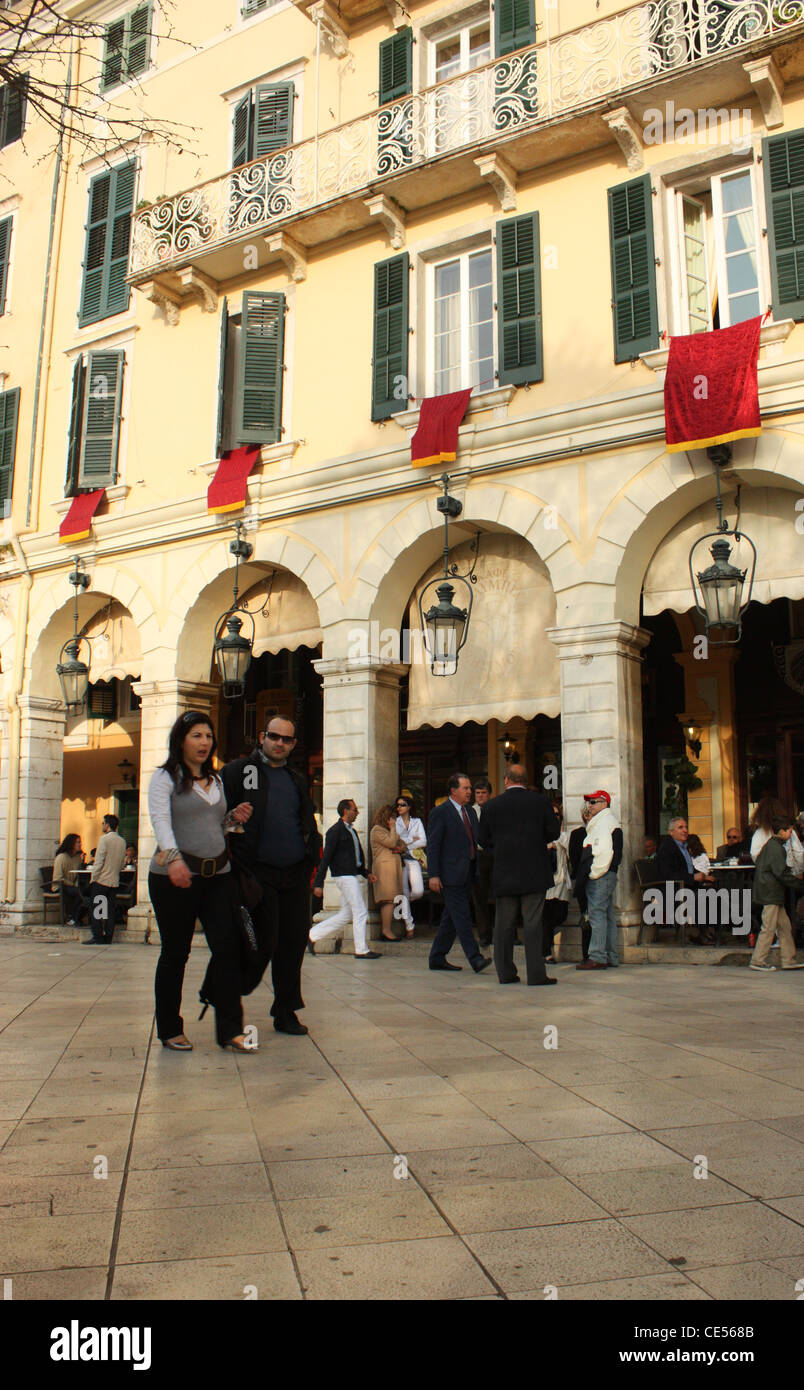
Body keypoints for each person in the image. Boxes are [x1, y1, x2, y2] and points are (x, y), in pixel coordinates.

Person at [148, 712, 254, 1052]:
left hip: (218, 876)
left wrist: (231, 819)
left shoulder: (217, 780)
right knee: (176, 952)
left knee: (228, 949)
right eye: (196, 735)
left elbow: (212, 826)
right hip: (174, 877)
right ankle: (169, 1028)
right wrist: (174, 858)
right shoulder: (165, 778)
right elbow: (161, 823)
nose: (204, 742)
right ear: (181, 740)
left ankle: (230, 1030)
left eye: (208, 736)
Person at [222, 714, 322, 1037]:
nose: (280, 743)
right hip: (256, 872)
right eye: (274, 736)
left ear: (293, 744)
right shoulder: (239, 772)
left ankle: (286, 1009)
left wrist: (311, 855)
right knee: (261, 942)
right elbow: (216, 816)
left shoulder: (296, 778)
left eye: (287, 739)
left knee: (293, 943)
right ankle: (226, 992)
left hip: (294, 873)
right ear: (262, 737)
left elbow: (304, 819)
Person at [478, 764, 559, 985]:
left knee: (504, 924)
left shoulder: (492, 806)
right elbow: (553, 832)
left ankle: (505, 972)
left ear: (506, 780)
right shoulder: (540, 802)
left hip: (504, 871)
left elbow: (482, 839)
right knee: (533, 924)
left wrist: (500, 851)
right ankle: (536, 974)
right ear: (525, 780)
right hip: (534, 870)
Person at [427, 773, 491, 974]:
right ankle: (475, 958)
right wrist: (434, 875)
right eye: (466, 788)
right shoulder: (441, 812)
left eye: (470, 788)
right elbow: (434, 846)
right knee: (462, 917)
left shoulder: (470, 812)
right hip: (450, 875)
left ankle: (437, 957)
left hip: (469, 872)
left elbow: (479, 839)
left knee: (451, 917)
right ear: (453, 791)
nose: (470, 792)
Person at [311, 800, 380, 958]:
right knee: (360, 911)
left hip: (350, 875)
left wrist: (365, 873)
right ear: (346, 811)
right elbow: (326, 858)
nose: (357, 812)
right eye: (355, 810)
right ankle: (361, 950)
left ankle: (312, 935)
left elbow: (355, 857)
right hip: (344, 876)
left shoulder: (352, 832)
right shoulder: (335, 831)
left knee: (346, 915)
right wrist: (318, 883)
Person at [575, 790, 624, 971]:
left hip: (601, 875)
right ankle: (610, 955)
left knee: (596, 914)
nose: (590, 805)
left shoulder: (604, 823)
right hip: (606, 874)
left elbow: (603, 851)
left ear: (604, 804)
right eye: (589, 802)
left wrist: (594, 873)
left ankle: (597, 956)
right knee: (607, 915)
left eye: (594, 802)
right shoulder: (606, 822)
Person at [750, 816, 804, 972]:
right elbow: (781, 873)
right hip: (771, 894)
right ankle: (758, 960)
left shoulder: (773, 846)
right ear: (782, 831)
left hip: (773, 893)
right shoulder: (775, 847)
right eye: (789, 831)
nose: (791, 834)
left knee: (785, 927)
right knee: (768, 927)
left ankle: (788, 960)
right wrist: (800, 884)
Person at [85, 814, 127, 944]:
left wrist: (93, 878)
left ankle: (98, 936)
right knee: (109, 910)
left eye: (103, 823)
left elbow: (99, 861)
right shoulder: (122, 841)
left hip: (102, 880)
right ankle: (108, 936)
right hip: (114, 880)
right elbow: (122, 863)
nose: (102, 826)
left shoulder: (104, 840)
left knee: (97, 909)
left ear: (107, 825)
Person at [369, 804, 408, 941]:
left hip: (392, 869)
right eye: (392, 818)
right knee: (388, 899)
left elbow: (402, 844)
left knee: (392, 899)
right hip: (384, 870)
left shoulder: (388, 831)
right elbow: (392, 843)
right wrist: (392, 829)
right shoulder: (377, 830)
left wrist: (400, 847)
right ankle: (386, 931)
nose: (394, 821)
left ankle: (387, 929)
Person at [395, 794, 426, 939]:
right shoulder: (395, 822)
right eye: (398, 805)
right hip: (399, 859)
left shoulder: (417, 821)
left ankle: (404, 903)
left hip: (414, 858)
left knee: (418, 891)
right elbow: (396, 841)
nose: (399, 807)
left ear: (409, 807)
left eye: (402, 804)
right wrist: (411, 840)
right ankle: (409, 925)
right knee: (403, 891)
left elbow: (423, 841)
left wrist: (405, 843)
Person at [543, 803, 571, 963]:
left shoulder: (564, 835)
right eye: (551, 815)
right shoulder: (541, 833)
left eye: (557, 815)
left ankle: (544, 942)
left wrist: (558, 840)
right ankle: (546, 952)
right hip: (546, 882)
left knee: (561, 914)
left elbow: (569, 849)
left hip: (561, 883)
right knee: (545, 919)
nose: (554, 818)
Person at [472, 779, 494, 947]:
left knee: (501, 895)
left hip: (494, 855)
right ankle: (484, 935)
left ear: (489, 794)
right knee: (479, 898)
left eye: (483, 793)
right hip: (477, 857)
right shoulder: (469, 811)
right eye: (477, 793)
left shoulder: (496, 810)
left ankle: (509, 933)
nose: (480, 796)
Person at [569, 804, 592, 959]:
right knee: (586, 916)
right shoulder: (577, 834)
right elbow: (574, 858)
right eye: (588, 813)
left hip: (598, 878)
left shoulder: (602, 832)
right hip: (583, 881)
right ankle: (586, 954)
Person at [53, 834, 89, 927]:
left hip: (74, 885)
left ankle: (74, 917)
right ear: (71, 843)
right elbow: (58, 877)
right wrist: (73, 884)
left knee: (86, 892)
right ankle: (72, 916)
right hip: (61, 885)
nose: (80, 844)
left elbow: (78, 874)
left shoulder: (78, 858)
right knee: (79, 892)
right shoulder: (61, 858)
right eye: (78, 842)